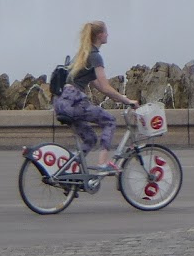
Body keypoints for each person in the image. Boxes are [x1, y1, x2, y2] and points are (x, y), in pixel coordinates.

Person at [52, 20, 137, 175]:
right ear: (99, 35)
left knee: (90, 139)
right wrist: (127, 101)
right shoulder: (95, 56)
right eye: (106, 32)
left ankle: (66, 173)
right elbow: (105, 87)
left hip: (62, 102)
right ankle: (103, 164)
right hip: (74, 100)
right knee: (110, 121)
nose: (108, 35)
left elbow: (98, 85)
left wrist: (121, 97)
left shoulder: (83, 54)